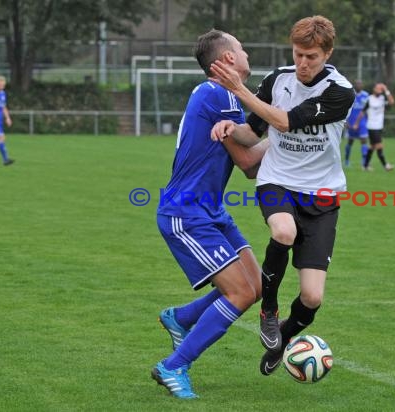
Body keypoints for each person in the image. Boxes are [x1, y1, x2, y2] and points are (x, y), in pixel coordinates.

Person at [210, 15, 354, 376]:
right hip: (278, 181)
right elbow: (254, 131)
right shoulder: (278, 79)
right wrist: (232, 129)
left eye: (312, 57)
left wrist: (239, 90)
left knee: (312, 297)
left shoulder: (340, 91)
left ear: (328, 54)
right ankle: (268, 310)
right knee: (283, 232)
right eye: (299, 54)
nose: (303, 64)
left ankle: (285, 338)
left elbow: (286, 121)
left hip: (322, 196)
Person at [152, 29, 269, 399]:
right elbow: (249, 163)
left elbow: (249, 161)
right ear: (228, 59)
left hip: (210, 210)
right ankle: (173, 365)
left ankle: (182, 317)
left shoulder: (223, 96)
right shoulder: (219, 95)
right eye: (242, 47)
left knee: (258, 286)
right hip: (186, 213)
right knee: (237, 293)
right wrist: (292, 135)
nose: (246, 51)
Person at [362, 82, 395, 171]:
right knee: (379, 145)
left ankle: (365, 166)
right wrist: (357, 123)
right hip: (372, 126)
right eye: (378, 88)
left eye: (381, 89)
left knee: (372, 146)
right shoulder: (369, 99)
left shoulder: (382, 98)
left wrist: (386, 90)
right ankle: (385, 166)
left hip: (379, 126)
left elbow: (392, 102)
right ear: (374, 89)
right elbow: (363, 111)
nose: (379, 90)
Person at [344, 79, 369, 167]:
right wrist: (345, 121)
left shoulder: (366, 95)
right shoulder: (350, 94)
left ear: (362, 85)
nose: (359, 85)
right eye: (357, 84)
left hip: (362, 123)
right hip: (351, 123)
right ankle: (346, 161)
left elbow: (367, 110)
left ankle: (364, 161)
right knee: (350, 141)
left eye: (360, 84)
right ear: (354, 85)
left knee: (364, 141)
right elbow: (345, 109)